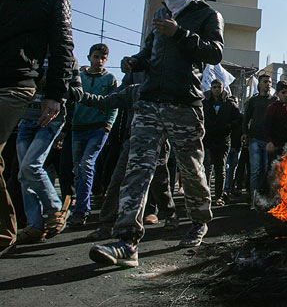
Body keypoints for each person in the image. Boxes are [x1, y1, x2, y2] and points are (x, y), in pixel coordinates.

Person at [90, 0, 224, 267]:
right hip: (150, 103)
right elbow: (149, 52)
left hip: (184, 103)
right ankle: (127, 241)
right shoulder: (160, 15)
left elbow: (215, 53)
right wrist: (133, 62)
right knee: (137, 168)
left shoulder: (207, 15)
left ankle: (199, 219)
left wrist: (180, 34)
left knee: (191, 168)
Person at [0, 0, 74, 249]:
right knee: (16, 169)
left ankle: (42, 215)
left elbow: (63, 47)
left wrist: (56, 95)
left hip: (20, 86)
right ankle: (22, 224)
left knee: (30, 165)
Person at [83, 80, 178, 241]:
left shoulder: (166, 91)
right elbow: (107, 101)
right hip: (132, 143)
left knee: (159, 182)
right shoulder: (133, 91)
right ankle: (106, 224)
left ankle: (170, 213)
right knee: (117, 180)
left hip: (158, 144)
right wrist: (81, 96)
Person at [14, 59, 83, 243]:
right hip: (26, 119)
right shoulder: (29, 54)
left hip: (51, 119)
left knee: (31, 166)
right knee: (23, 175)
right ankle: (35, 225)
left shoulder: (66, 57)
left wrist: (54, 85)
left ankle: (55, 208)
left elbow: (78, 92)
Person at [69, 43, 118, 227]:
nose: (99, 61)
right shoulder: (79, 77)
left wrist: (108, 125)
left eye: (103, 58)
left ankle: (81, 210)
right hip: (78, 126)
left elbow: (113, 103)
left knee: (86, 164)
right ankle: (81, 204)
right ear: (89, 57)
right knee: (77, 167)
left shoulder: (110, 79)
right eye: (96, 57)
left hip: (98, 127)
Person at [202, 79, 242, 206]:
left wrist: (228, 126)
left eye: (219, 87)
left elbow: (239, 119)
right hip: (208, 140)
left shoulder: (229, 104)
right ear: (211, 88)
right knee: (206, 169)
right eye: (214, 87)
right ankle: (205, 196)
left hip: (223, 141)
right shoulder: (205, 103)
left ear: (223, 88)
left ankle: (218, 196)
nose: (217, 90)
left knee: (220, 169)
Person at [242, 74, 276, 207]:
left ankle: (265, 199)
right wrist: (245, 133)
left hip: (269, 141)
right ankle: (254, 200)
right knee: (255, 170)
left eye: (270, 82)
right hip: (255, 139)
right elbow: (246, 118)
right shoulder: (253, 101)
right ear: (259, 84)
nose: (268, 84)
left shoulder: (274, 101)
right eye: (265, 81)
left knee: (267, 170)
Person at [264, 80, 287, 160]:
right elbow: (266, 126)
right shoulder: (272, 108)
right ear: (278, 93)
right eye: (283, 92)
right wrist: (269, 141)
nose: (286, 95)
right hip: (275, 145)